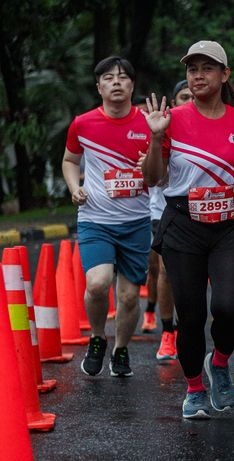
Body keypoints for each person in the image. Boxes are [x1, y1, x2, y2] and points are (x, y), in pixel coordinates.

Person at [141, 40, 234, 419]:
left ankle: (219, 362)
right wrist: (155, 137)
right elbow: (152, 178)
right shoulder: (171, 120)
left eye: (207, 68)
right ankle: (195, 388)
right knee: (192, 314)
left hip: (229, 224)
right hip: (183, 223)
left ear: (224, 74)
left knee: (232, 306)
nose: (198, 76)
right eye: (192, 69)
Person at [62, 56, 151, 378]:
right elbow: (70, 160)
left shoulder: (148, 124)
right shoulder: (83, 123)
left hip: (136, 221)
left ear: (132, 85)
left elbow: (161, 173)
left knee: (128, 297)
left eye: (123, 77)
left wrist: (150, 162)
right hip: (96, 219)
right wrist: (75, 187)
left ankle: (121, 349)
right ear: (99, 87)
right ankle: (98, 337)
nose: (116, 82)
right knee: (98, 284)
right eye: (109, 78)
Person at [153, 80, 194, 360]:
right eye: (183, 97)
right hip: (166, 209)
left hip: (203, 210)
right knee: (166, 271)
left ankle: (186, 327)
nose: (189, 100)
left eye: (192, 96)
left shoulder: (211, 125)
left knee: (195, 276)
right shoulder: (163, 126)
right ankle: (168, 332)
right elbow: (154, 175)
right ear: (174, 102)